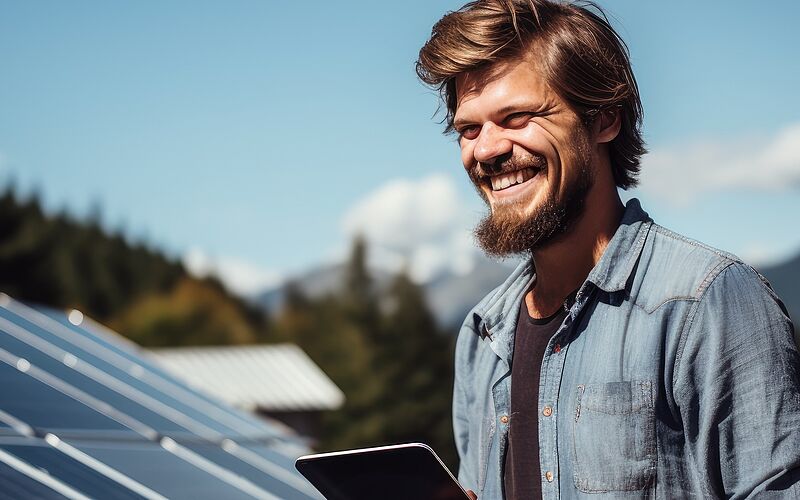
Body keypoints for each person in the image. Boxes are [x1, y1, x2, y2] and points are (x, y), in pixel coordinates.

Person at [415, 1, 800, 498]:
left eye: (517, 117)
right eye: (470, 129)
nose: (486, 149)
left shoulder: (705, 303)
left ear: (604, 121)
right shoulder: (484, 335)